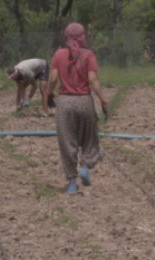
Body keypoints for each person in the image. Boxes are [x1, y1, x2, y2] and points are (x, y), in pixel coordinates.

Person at [47, 22, 109, 193]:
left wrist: (49, 95)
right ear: (83, 36)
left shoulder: (59, 54)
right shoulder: (88, 55)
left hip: (65, 102)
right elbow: (92, 80)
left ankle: (72, 183)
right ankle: (86, 167)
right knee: (90, 139)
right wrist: (103, 100)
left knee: (67, 141)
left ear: (66, 37)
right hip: (84, 101)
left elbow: (52, 79)